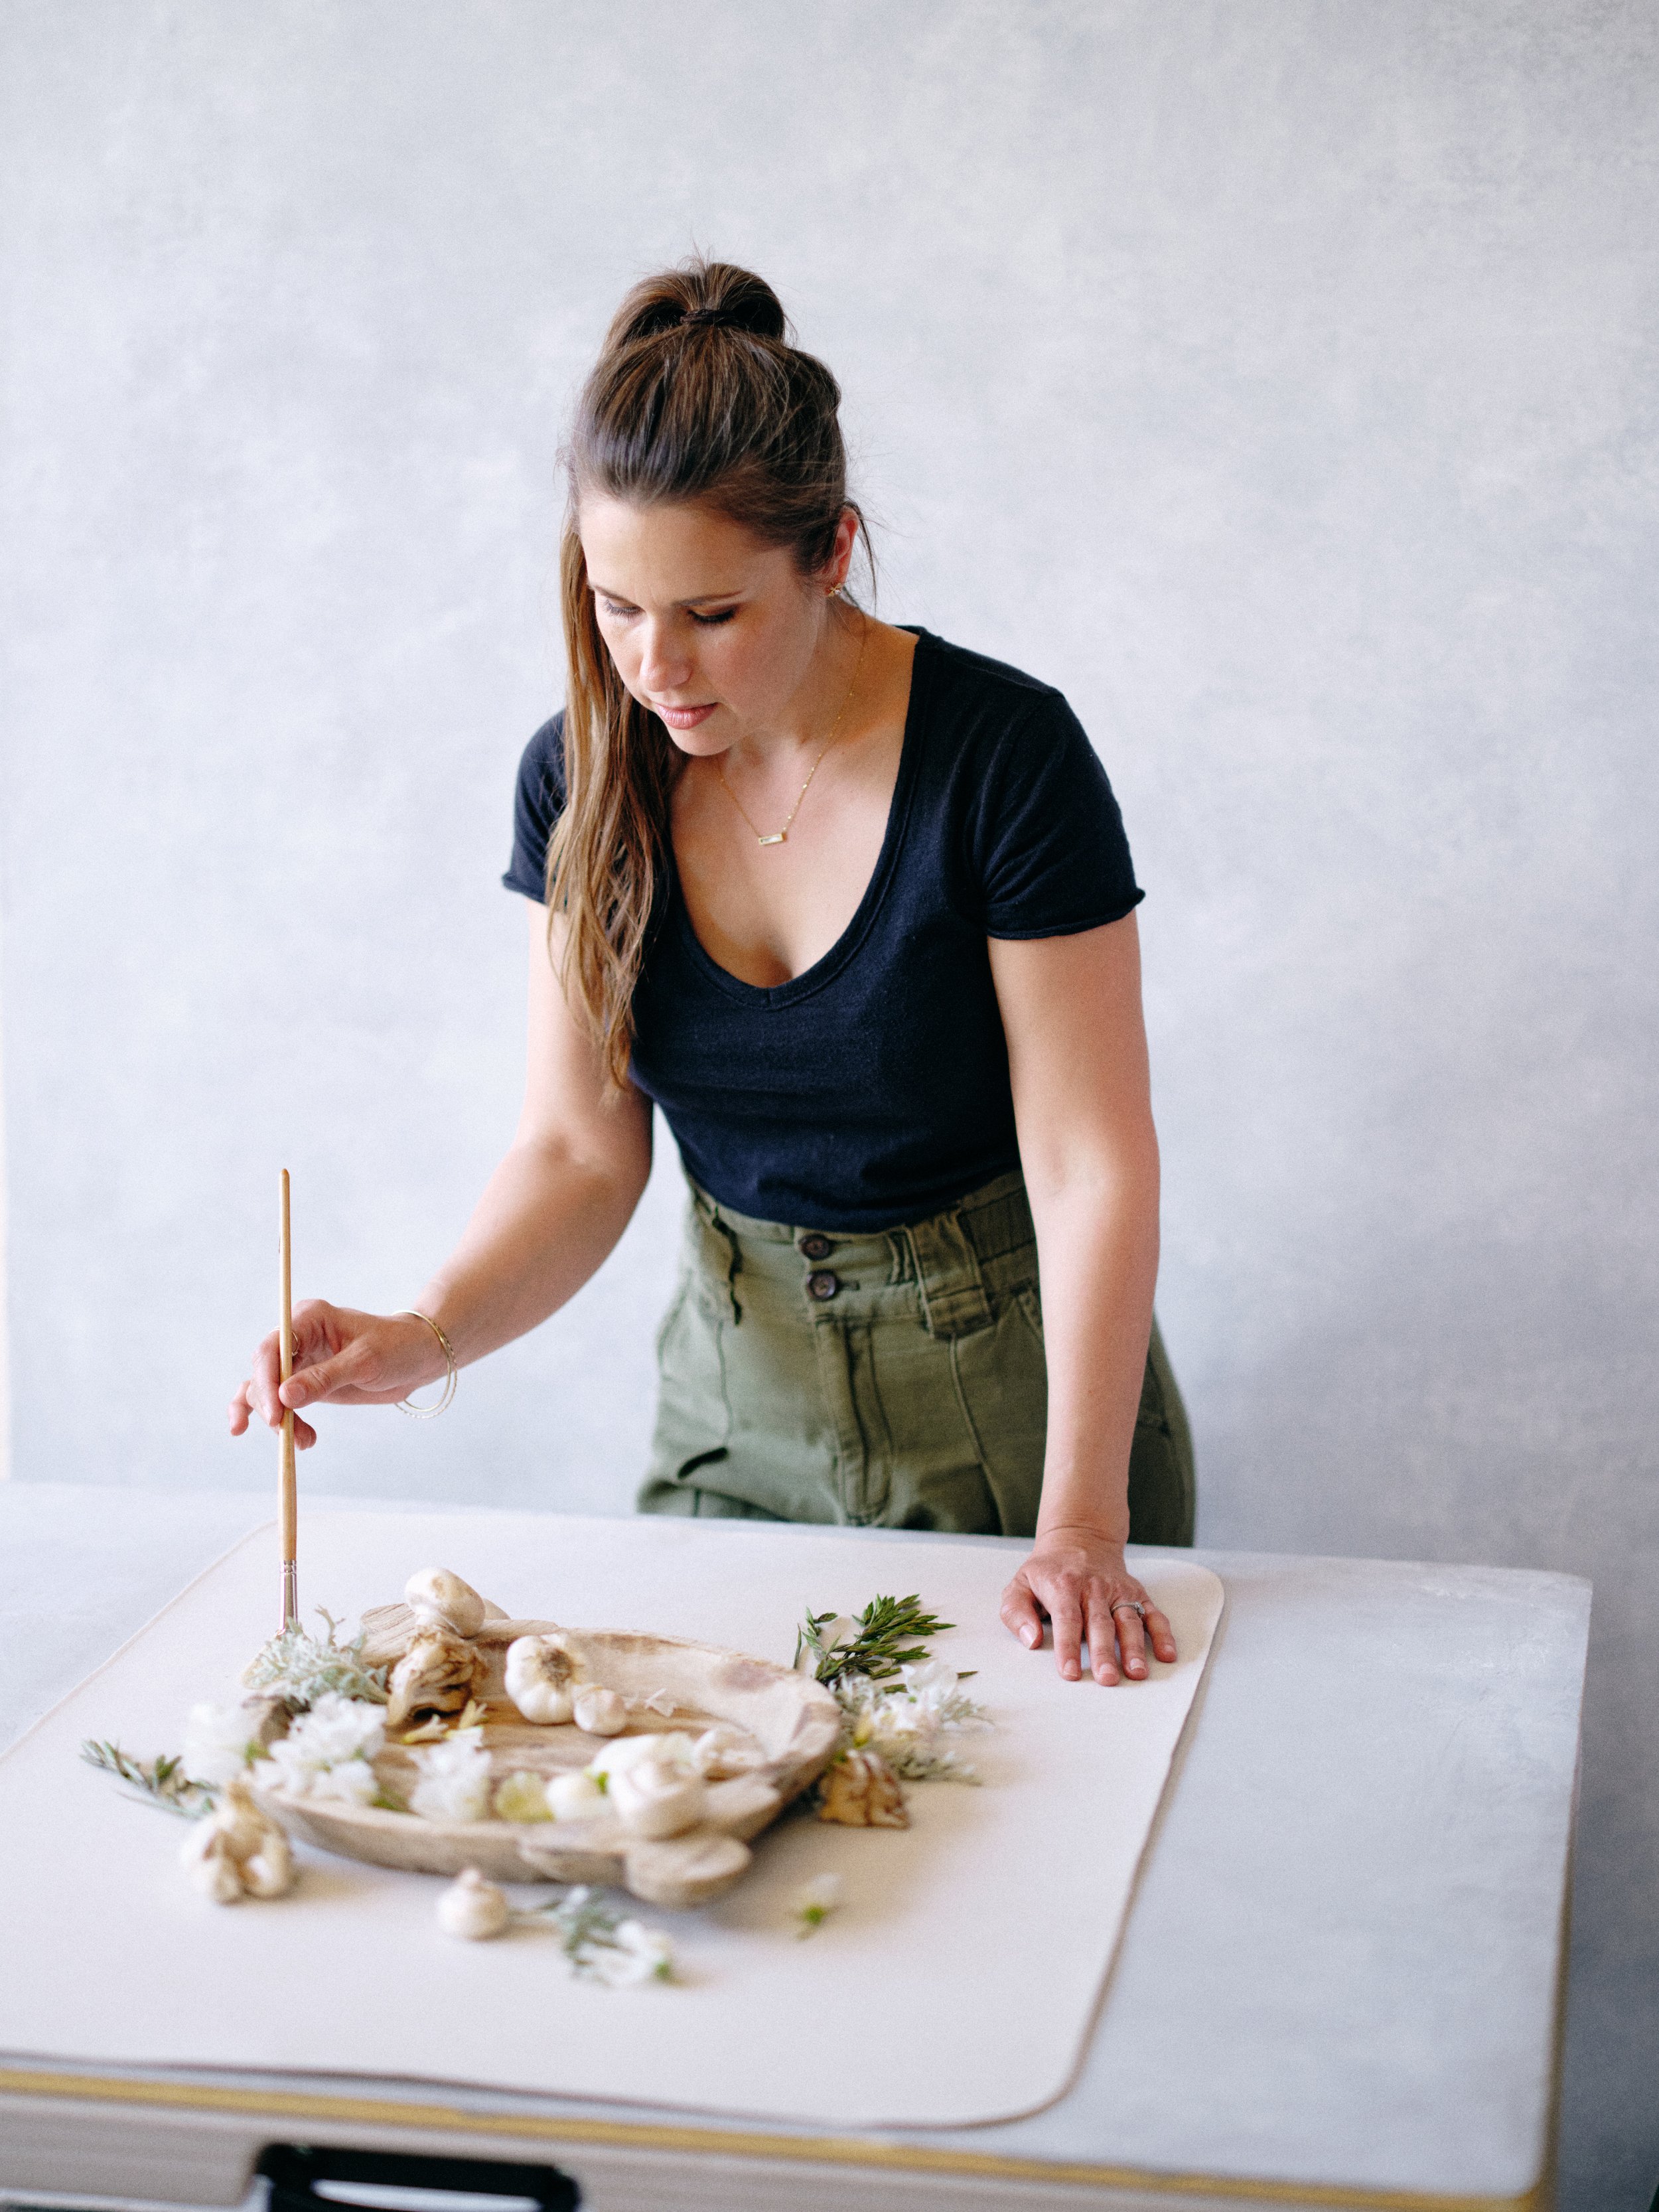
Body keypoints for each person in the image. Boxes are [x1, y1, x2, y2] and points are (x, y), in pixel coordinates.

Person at [231, 259, 1194, 1688]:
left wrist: (1082, 1520)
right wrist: (422, 1336)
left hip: (1023, 1424)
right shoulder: (577, 776)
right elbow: (573, 1146)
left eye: (709, 612)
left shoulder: (1004, 757)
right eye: (615, 605)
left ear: (829, 551)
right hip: (732, 1415)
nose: (653, 664)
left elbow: (1087, 1161)